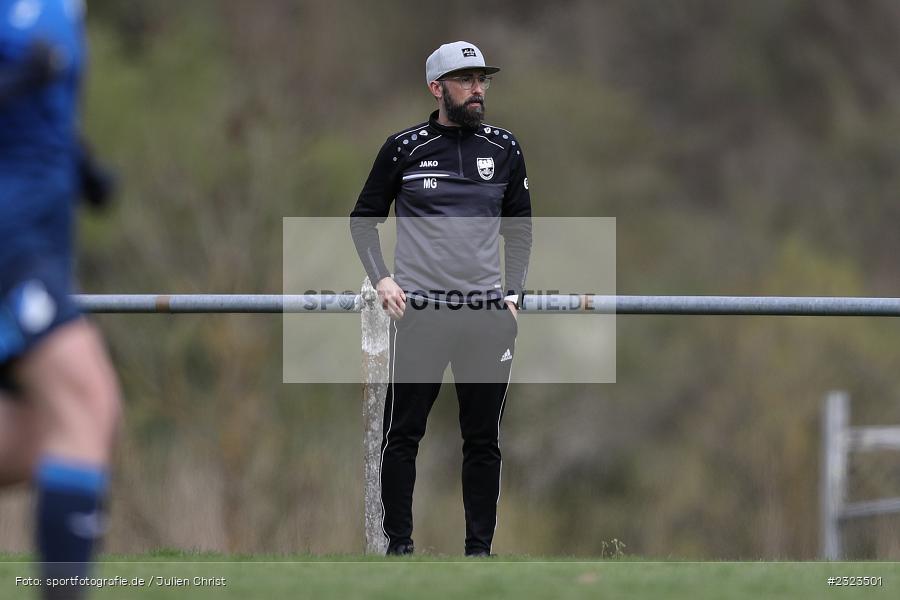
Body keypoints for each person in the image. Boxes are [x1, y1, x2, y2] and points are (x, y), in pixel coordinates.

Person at [350, 41, 532, 557]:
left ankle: (479, 553)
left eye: (483, 80)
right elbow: (363, 221)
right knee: (404, 434)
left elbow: (519, 230)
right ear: (438, 88)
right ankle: (400, 550)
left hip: (485, 318)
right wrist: (382, 278)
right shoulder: (403, 148)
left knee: (483, 440)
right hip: (420, 314)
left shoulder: (505, 148)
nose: (478, 89)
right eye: (466, 79)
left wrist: (514, 295)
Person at [0, 0, 120, 596]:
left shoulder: (62, 11)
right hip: (8, 240)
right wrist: (18, 80)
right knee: (86, 398)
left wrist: (83, 167)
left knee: (26, 441)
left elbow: (37, 114)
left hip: (37, 242)